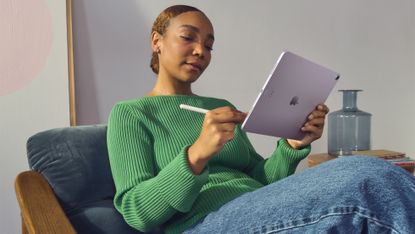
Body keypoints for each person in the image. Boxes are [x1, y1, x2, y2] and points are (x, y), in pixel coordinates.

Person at [107, 5, 415, 234]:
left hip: (258, 206)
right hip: (203, 224)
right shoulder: (131, 114)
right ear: (156, 41)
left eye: (210, 45)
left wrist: (293, 145)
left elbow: (260, 179)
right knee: (364, 176)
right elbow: (138, 212)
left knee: (372, 173)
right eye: (188, 37)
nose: (201, 51)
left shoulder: (218, 107)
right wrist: (197, 154)